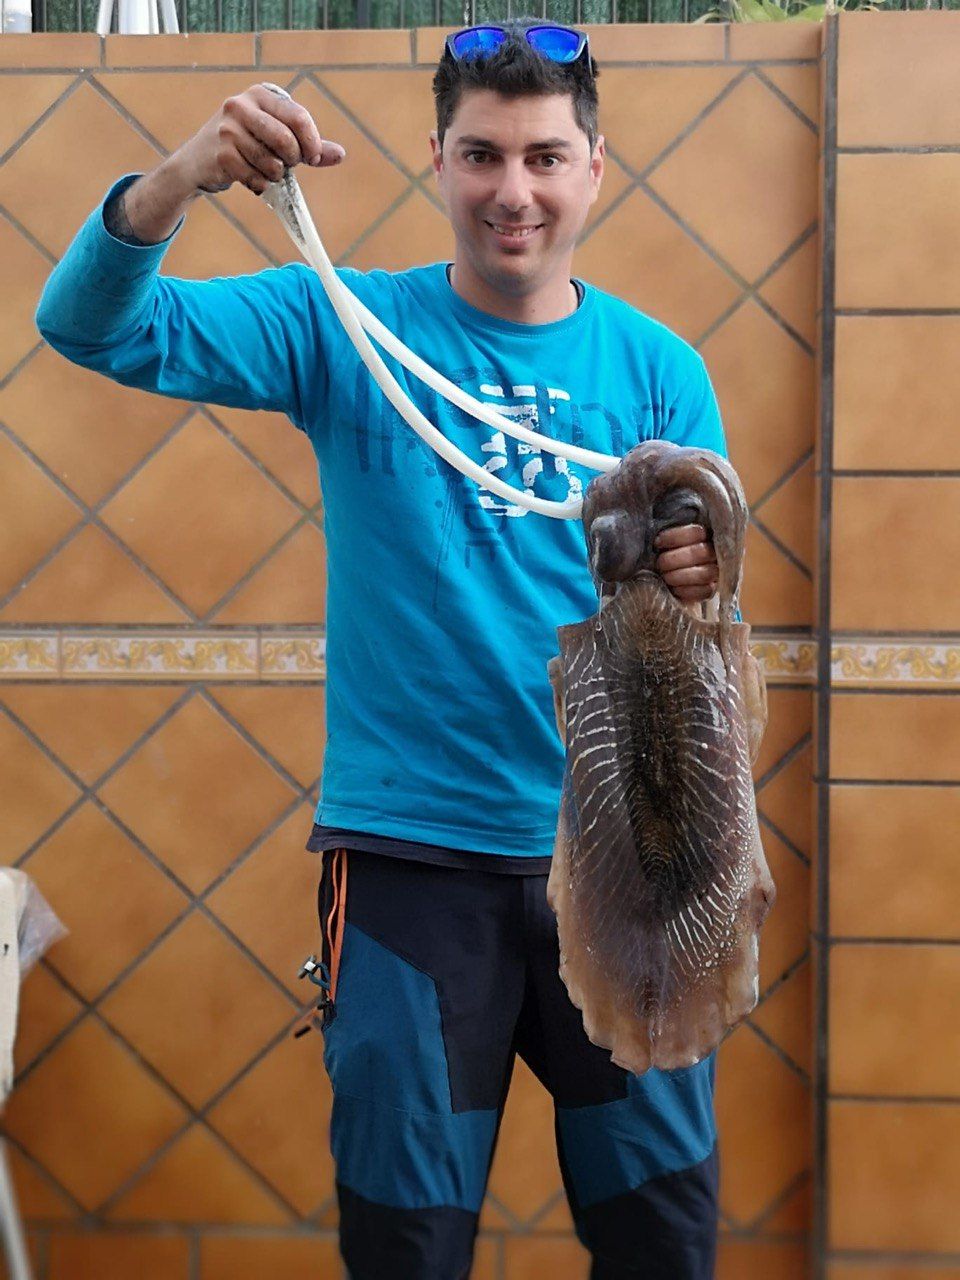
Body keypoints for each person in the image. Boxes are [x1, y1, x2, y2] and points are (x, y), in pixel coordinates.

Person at [36, 20, 728, 1279]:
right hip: (413, 870)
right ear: (437, 160)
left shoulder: (659, 372)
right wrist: (180, 176)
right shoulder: (344, 326)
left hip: (623, 863)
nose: (513, 191)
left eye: (544, 157)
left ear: (593, 168)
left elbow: (696, 625)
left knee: (664, 1239)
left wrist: (697, 570)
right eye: (482, 155)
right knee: (406, 1246)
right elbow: (91, 327)